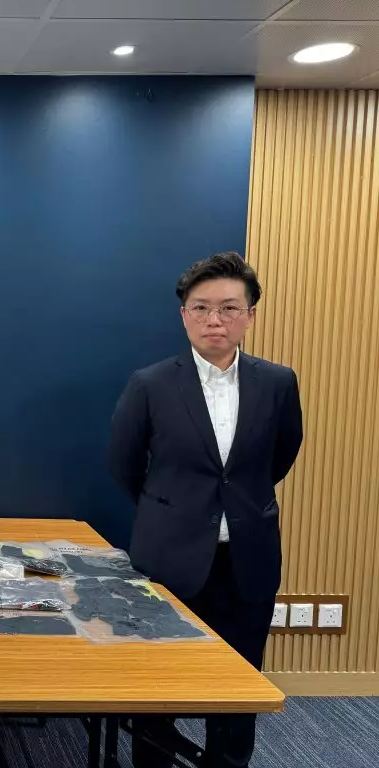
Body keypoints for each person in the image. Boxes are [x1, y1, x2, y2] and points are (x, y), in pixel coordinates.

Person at [109, 251, 303, 768]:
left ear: (250, 315)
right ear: (184, 315)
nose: (214, 319)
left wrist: (236, 504)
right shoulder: (150, 383)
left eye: (229, 308)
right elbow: (124, 463)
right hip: (169, 557)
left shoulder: (278, 382)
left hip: (247, 558)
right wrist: (173, 509)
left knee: (239, 686)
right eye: (201, 308)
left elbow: (282, 454)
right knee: (158, 684)